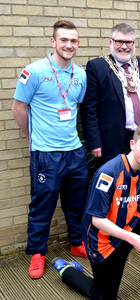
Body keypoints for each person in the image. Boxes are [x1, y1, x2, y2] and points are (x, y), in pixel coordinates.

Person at [51, 123, 140, 300]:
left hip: (128, 224)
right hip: (103, 238)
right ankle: (66, 269)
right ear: (132, 145)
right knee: (103, 296)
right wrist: (133, 238)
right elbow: (97, 220)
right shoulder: (108, 173)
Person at [12, 20, 89, 279]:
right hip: (46, 154)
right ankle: (37, 253)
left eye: (74, 41)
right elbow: (18, 109)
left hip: (75, 152)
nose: (69, 45)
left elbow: (74, 107)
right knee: (42, 205)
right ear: (53, 41)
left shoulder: (80, 74)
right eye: (64, 40)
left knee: (77, 203)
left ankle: (77, 243)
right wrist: (31, 138)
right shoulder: (33, 71)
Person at [82, 23, 140, 165]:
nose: (124, 46)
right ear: (111, 42)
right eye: (119, 41)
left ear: (134, 43)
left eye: (128, 42)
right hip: (114, 140)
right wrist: (94, 142)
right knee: (116, 181)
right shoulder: (97, 67)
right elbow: (89, 109)